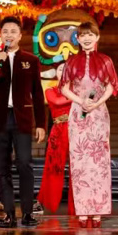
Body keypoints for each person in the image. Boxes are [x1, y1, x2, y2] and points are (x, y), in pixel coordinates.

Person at [0, 17, 46, 228]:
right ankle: (9, 214)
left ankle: (27, 213)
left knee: (24, 163)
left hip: (22, 118)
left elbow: (37, 93)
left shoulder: (31, 60)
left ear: (20, 35)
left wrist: (41, 124)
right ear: (1, 35)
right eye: (5, 31)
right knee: (2, 167)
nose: (9, 34)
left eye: (13, 31)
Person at [61, 23, 118, 227]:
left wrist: (97, 102)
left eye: (90, 35)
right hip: (78, 113)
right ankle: (83, 211)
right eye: (83, 35)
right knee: (79, 161)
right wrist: (81, 101)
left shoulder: (106, 60)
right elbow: (64, 88)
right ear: (77, 39)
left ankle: (98, 211)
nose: (86, 38)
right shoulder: (71, 61)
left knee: (99, 161)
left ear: (97, 37)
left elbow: (111, 86)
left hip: (99, 113)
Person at [36, 62, 75, 215]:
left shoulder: (77, 91)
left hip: (75, 131)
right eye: (60, 69)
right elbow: (58, 102)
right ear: (56, 73)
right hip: (58, 131)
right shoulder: (50, 90)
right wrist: (79, 97)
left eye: (66, 69)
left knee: (77, 169)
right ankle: (44, 202)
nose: (63, 72)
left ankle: (79, 205)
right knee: (53, 168)